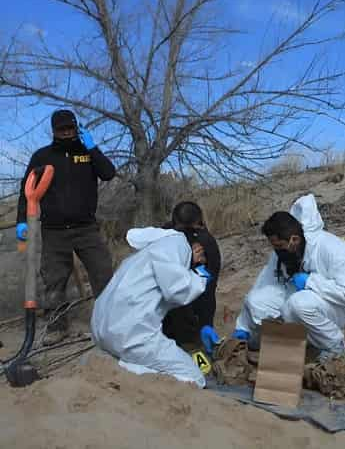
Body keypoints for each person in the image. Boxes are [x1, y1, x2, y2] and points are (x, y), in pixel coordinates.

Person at [200, 194, 345, 362]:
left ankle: (335, 346)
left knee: (297, 305)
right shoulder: (283, 253)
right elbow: (262, 287)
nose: (276, 250)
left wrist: (310, 282)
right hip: (302, 302)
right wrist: (242, 328)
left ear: (294, 239)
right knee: (257, 301)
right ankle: (260, 343)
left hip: (342, 307)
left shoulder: (336, 250)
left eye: (279, 245)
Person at [15, 109, 116, 346]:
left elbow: (109, 173)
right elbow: (26, 189)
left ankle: (110, 322)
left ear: (76, 128)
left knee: (103, 274)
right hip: (54, 231)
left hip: (86, 229)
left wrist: (93, 148)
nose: (67, 132)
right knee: (54, 280)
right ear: (54, 131)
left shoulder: (87, 153)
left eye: (70, 128)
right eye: (62, 129)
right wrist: (22, 220)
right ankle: (57, 327)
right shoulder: (42, 156)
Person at [91, 226, 213, 388]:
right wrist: (201, 276)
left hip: (102, 329)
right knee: (194, 377)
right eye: (200, 259)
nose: (198, 263)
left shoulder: (148, 253)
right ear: (197, 248)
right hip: (129, 335)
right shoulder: (177, 246)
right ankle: (124, 370)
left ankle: (118, 363)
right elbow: (177, 291)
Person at [162, 202, 221, 351]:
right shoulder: (162, 237)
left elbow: (209, 289)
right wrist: (188, 261)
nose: (187, 234)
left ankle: (193, 338)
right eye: (183, 230)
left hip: (193, 298)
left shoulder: (206, 242)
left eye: (192, 229)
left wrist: (206, 324)